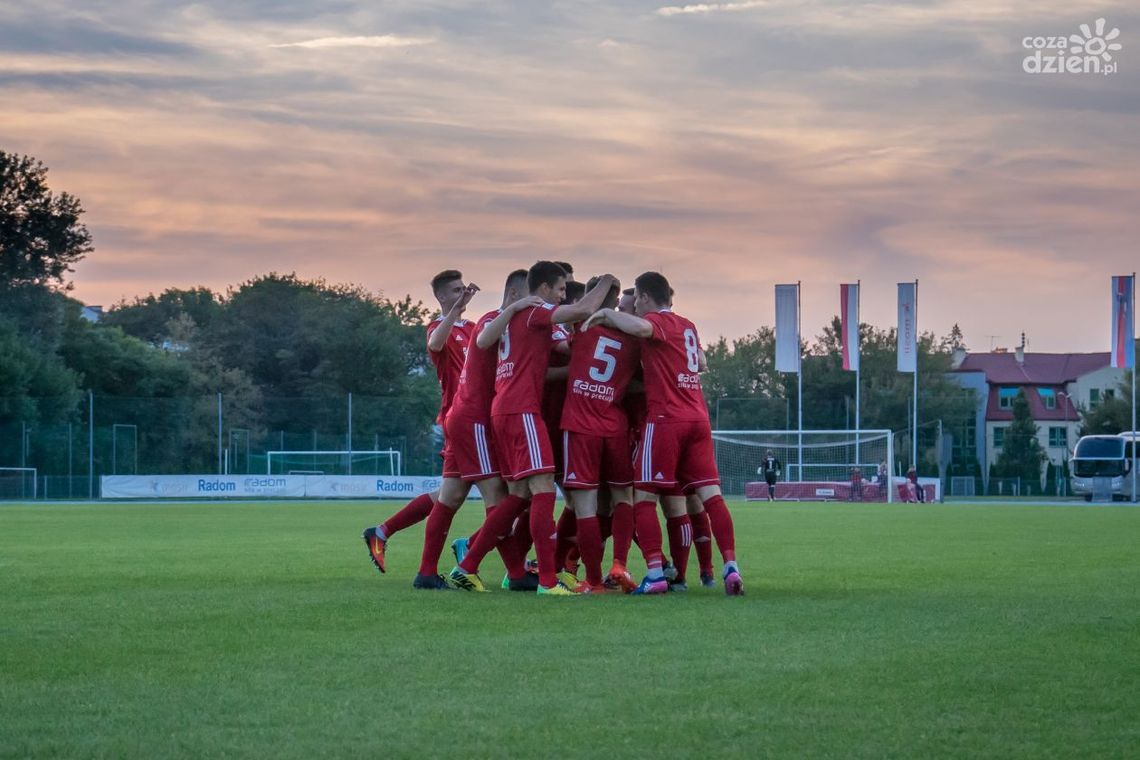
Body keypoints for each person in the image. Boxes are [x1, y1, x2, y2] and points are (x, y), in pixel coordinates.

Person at [448, 263, 617, 594]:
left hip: (506, 410)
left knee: (520, 495)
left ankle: (466, 566)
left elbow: (485, 341)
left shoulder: (514, 316)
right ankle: (547, 581)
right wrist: (608, 282)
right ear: (542, 290)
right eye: (559, 290)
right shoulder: (535, 312)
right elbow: (582, 308)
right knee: (542, 491)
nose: (562, 296)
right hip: (522, 410)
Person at [583, 271, 743, 596]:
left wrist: (604, 314)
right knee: (710, 496)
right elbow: (699, 360)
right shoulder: (688, 325)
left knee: (643, 496)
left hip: (665, 419)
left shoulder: (655, 322)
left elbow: (644, 327)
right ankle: (730, 566)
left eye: (636, 301)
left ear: (643, 297)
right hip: (698, 417)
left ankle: (655, 573)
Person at [362, 270, 478, 580]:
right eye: (455, 290)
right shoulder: (439, 327)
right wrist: (455, 310)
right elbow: (437, 344)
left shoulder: (474, 328)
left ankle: (384, 532)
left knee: (450, 494)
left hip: (479, 418)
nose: (462, 293)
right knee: (507, 492)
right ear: (441, 297)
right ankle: (474, 552)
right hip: (462, 419)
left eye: (462, 287)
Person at [558, 276, 639, 592]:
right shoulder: (633, 336)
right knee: (623, 498)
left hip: (580, 426)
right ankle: (619, 564)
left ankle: (593, 581)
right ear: (617, 301)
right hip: (614, 424)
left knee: (586, 506)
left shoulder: (582, 324)